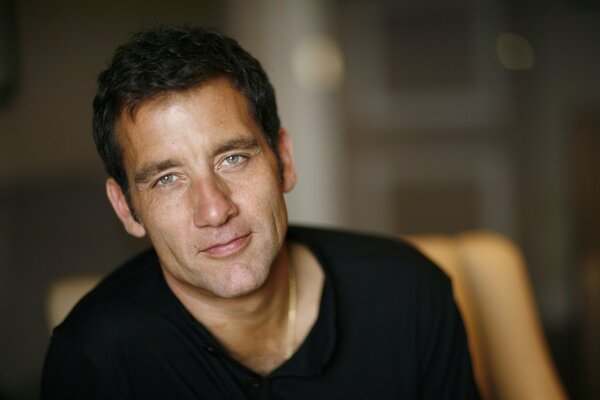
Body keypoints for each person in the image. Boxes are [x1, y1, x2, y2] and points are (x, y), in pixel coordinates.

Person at [41, 26, 479, 399]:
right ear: (126, 208)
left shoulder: (408, 296)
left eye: (232, 158)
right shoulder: (94, 357)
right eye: (167, 178)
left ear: (283, 160)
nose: (215, 210)